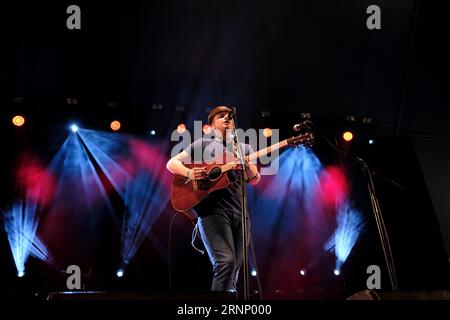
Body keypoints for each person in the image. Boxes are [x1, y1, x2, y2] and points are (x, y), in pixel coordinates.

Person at [166, 105, 260, 294]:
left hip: (240, 214)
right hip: (212, 212)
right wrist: (190, 172)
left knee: (233, 270)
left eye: (229, 117)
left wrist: (249, 165)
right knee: (225, 262)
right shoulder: (203, 144)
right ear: (212, 123)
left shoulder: (244, 148)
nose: (227, 118)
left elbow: (255, 179)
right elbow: (171, 163)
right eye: (221, 116)